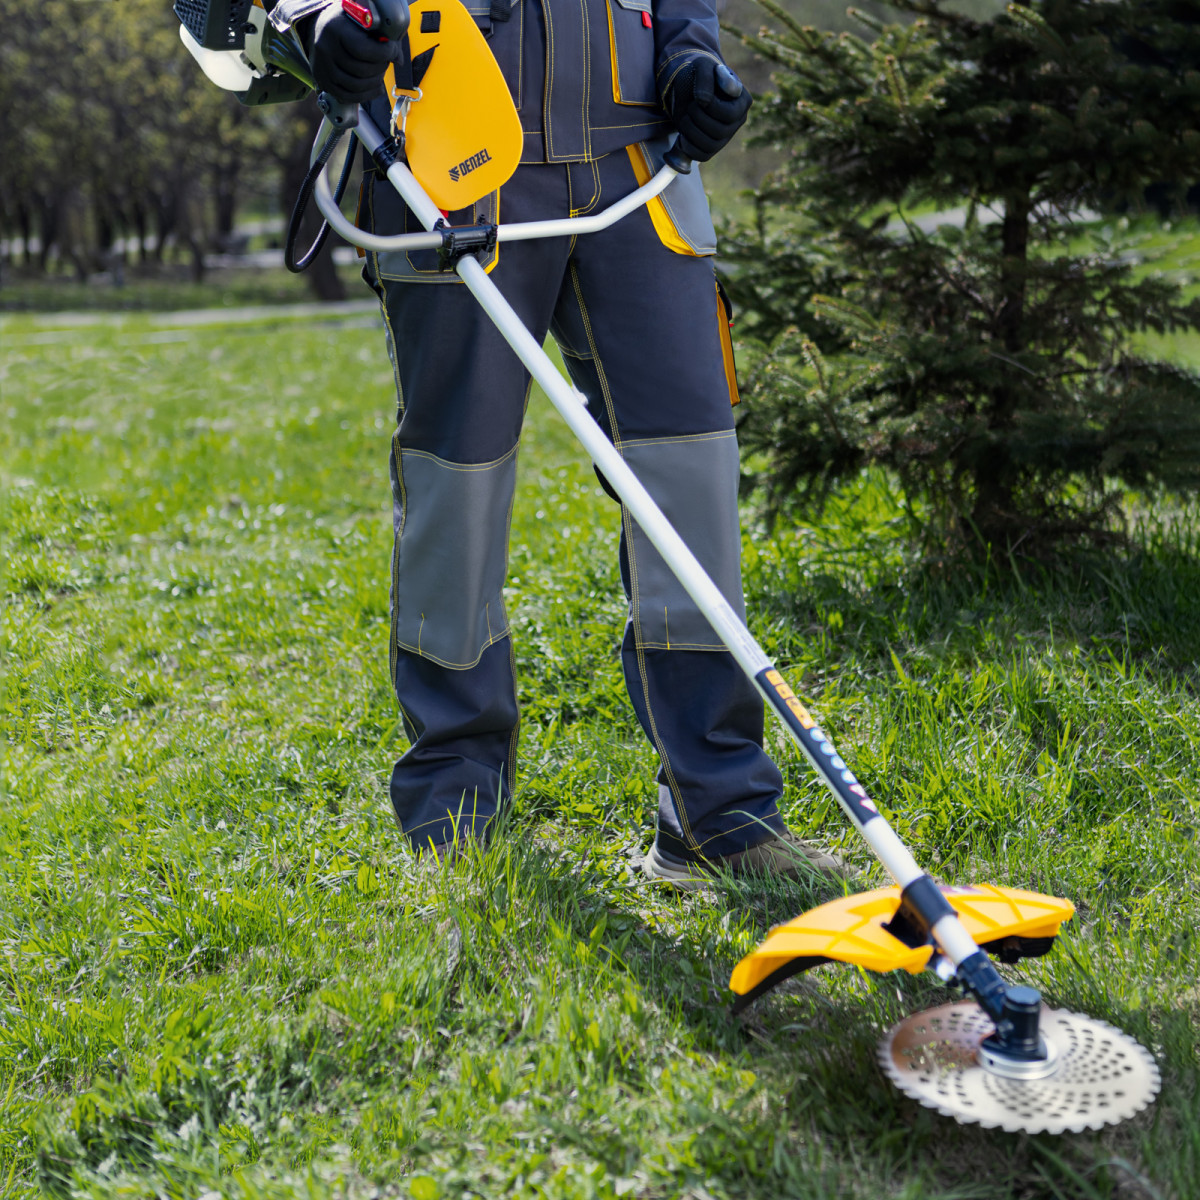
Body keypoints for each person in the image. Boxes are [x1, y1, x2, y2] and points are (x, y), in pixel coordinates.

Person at [271, 0, 841, 884]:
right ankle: (457, 807)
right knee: (457, 487)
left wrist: (691, 55)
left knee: (691, 478)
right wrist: (313, 16)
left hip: (643, 169)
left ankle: (717, 814)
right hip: (451, 162)